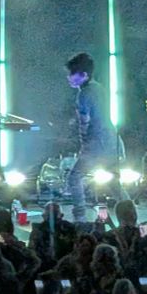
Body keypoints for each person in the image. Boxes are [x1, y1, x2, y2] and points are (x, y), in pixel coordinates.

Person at [65, 53, 120, 222]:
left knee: (74, 177)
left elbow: (85, 122)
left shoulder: (84, 94)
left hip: (96, 144)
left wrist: (84, 145)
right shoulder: (100, 88)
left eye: (72, 74)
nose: (69, 78)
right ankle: (128, 209)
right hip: (111, 140)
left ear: (83, 75)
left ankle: (79, 215)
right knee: (113, 182)